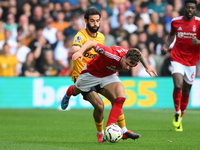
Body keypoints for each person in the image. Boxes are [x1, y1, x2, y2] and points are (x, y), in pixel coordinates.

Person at [61, 7, 141, 143]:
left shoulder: (101, 37)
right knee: (99, 106)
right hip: (84, 74)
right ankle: (99, 133)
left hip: (100, 74)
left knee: (117, 99)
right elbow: (74, 49)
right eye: (92, 21)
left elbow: (102, 57)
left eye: (97, 21)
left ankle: (123, 130)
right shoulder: (80, 35)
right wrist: (77, 52)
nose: (95, 24)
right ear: (86, 21)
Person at [63, 39, 157, 140]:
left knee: (120, 98)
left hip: (108, 75)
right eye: (127, 63)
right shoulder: (111, 53)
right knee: (76, 91)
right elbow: (92, 43)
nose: (127, 67)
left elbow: (138, 52)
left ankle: (117, 129)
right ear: (124, 57)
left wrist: (146, 67)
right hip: (91, 73)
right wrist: (80, 52)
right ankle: (68, 93)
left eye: (131, 66)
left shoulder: (132, 59)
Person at [162, 0, 200, 132]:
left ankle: (180, 117)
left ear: (195, 10)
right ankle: (177, 112)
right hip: (177, 58)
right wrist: (167, 46)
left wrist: (198, 42)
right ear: (184, 8)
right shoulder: (175, 21)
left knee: (186, 91)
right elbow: (172, 34)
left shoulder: (199, 23)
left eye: (192, 8)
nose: (190, 10)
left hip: (191, 62)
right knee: (178, 85)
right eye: (188, 7)